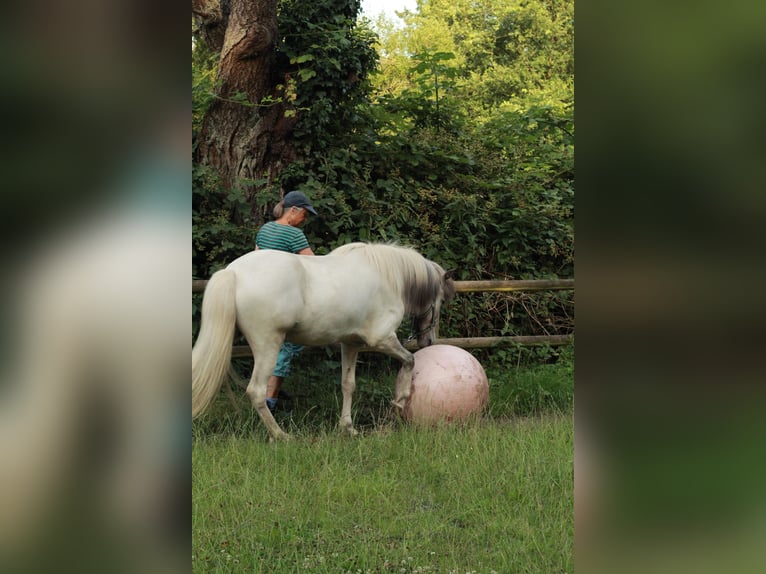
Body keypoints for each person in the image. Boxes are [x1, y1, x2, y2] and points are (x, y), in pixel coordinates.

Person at [254, 190, 318, 411]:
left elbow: (255, 258)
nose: (305, 220)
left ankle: (271, 390)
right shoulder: (294, 235)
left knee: (267, 346)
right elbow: (314, 266)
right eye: (304, 214)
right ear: (293, 210)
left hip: (260, 297)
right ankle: (270, 400)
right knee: (290, 344)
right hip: (282, 298)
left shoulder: (265, 229)